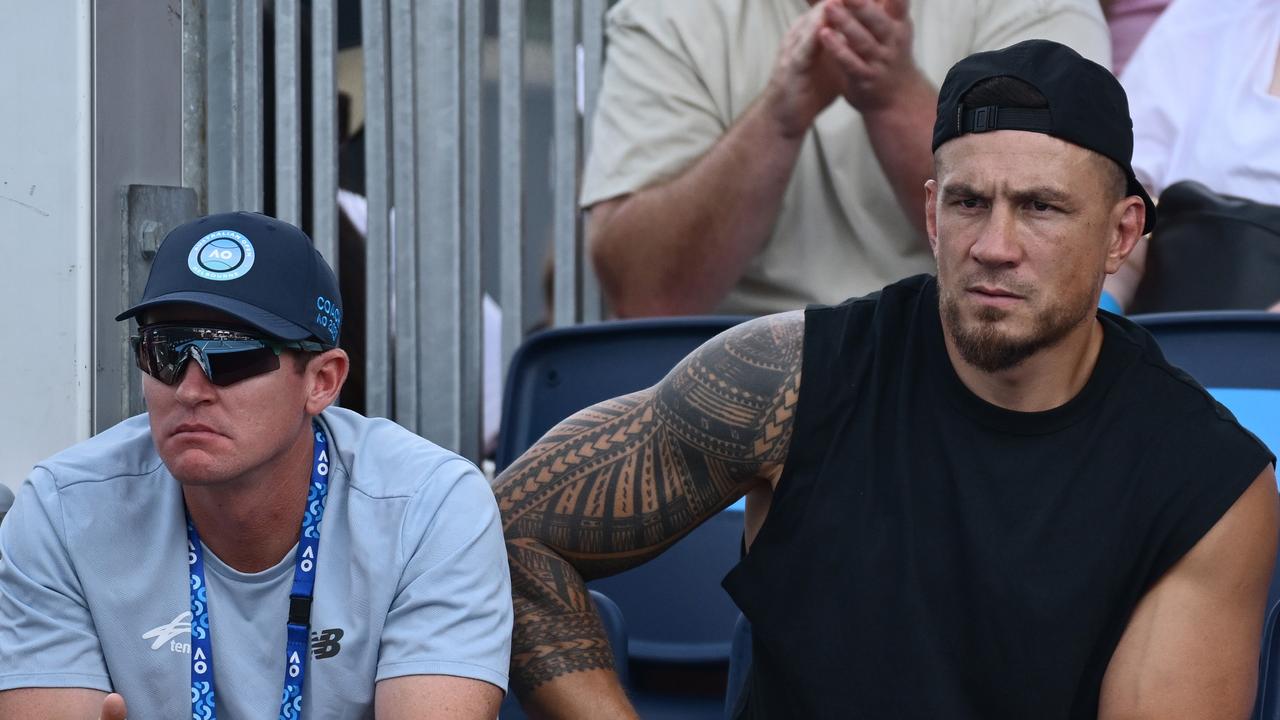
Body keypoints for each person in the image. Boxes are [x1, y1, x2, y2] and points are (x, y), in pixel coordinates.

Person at [497, 40, 1279, 718]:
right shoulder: (789, 379)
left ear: (1121, 235)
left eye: (1042, 207)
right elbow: (502, 531)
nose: (995, 245)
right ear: (934, 216)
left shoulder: (1206, 484)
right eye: (971, 202)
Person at [0, 212, 512, 719]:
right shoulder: (63, 507)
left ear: (322, 382)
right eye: (166, 353)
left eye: (232, 356)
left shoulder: (429, 505)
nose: (190, 389)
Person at [581, 0, 1111, 318]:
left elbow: (1061, 249)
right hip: (733, 380)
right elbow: (643, 296)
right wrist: (777, 119)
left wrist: (891, 92)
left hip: (971, 355)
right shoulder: (669, 11)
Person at [1102, 0, 1280, 311]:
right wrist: (1102, 307)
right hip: (1167, 325)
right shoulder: (1205, 16)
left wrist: (1258, 343)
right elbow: (1121, 204)